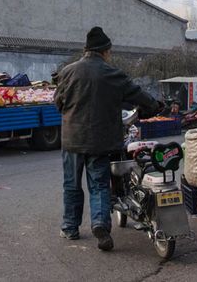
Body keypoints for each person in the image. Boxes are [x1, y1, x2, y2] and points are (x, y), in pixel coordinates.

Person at [54, 26, 161, 251]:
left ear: (86, 50)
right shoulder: (113, 74)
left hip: (73, 139)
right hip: (101, 141)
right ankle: (100, 224)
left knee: (71, 184)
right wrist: (156, 106)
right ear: (105, 51)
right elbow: (138, 95)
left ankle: (70, 228)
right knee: (100, 184)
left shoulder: (68, 72)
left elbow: (59, 103)